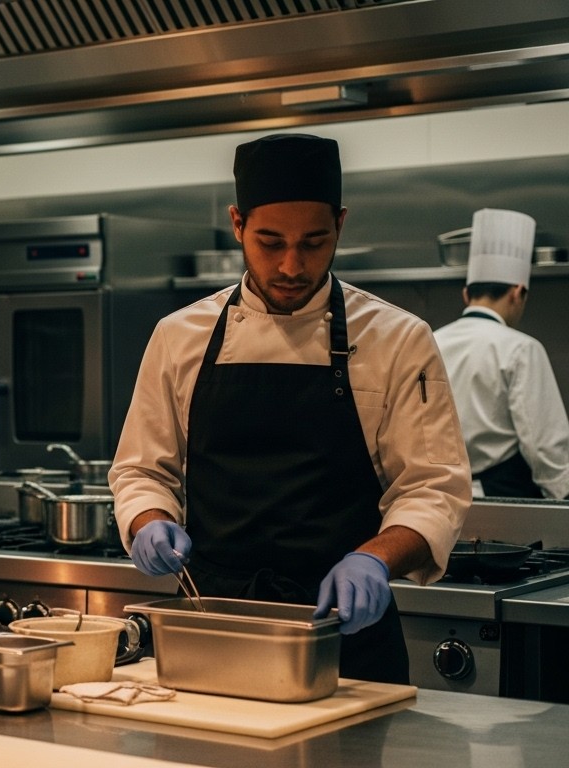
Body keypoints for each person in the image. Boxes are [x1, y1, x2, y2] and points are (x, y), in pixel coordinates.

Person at [109, 133, 471, 684]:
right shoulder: (179, 336)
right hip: (216, 627)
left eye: (314, 242)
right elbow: (141, 469)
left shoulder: (398, 339)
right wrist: (148, 521)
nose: (292, 265)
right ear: (237, 224)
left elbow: (432, 487)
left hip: (345, 637)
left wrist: (374, 558)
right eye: (270, 242)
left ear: (341, 226)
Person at [433, 209, 569, 500]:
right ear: (518, 293)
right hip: (504, 501)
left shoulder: (429, 341)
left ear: (466, 294)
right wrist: (562, 499)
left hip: (438, 499)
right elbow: (545, 448)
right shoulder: (521, 349)